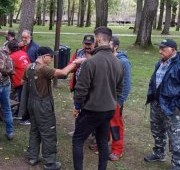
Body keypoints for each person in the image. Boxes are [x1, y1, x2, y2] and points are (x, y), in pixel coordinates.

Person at [72, 26, 123, 170]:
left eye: (94, 38)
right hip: (109, 110)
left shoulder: (90, 62)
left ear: (99, 39)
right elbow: (119, 88)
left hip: (92, 109)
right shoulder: (117, 62)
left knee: (78, 140)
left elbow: (81, 89)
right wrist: (112, 102)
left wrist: (77, 107)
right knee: (102, 141)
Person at [144, 39, 180, 169]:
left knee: (175, 136)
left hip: (172, 108)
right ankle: (159, 153)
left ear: (173, 50)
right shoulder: (160, 63)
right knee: (157, 131)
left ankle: (178, 164)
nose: (160, 51)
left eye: (164, 49)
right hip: (156, 104)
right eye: (160, 48)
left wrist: (179, 106)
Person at [21, 46, 79, 170]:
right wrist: (75, 62)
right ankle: (50, 163)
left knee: (35, 130)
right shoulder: (43, 68)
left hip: (31, 103)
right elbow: (63, 73)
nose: (52, 59)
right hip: (43, 105)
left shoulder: (29, 67)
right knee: (48, 132)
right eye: (50, 56)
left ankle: (32, 157)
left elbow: (23, 81)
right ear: (44, 56)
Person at [108, 36, 132, 161]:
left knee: (115, 125)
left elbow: (127, 84)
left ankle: (117, 150)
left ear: (115, 46)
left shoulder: (123, 62)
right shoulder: (107, 58)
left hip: (115, 100)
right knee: (103, 122)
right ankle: (102, 143)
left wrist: (120, 101)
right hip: (104, 98)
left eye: (109, 44)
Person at [7, 39, 30, 118]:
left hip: (20, 80)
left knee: (20, 97)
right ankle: (18, 112)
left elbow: (8, 69)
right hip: (27, 77)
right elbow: (29, 64)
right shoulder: (24, 53)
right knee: (22, 97)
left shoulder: (11, 57)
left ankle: (21, 115)